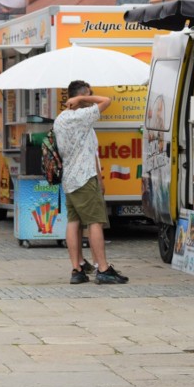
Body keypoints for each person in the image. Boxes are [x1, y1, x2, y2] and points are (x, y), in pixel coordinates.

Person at [53, 80, 128, 285]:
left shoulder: (61, 119)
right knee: (95, 221)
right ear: (79, 96)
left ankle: (77, 269)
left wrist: (101, 178)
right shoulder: (80, 116)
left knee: (74, 221)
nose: (91, 96)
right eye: (88, 94)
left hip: (70, 178)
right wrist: (82, 99)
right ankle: (103, 269)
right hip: (84, 178)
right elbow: (107, 100)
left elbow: (90, 151)